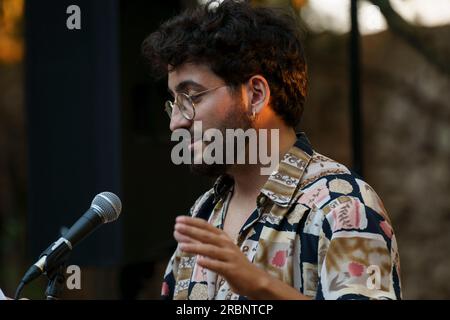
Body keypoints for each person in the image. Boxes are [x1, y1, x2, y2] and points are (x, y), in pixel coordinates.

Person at [142, 0, 401, 300]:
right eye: (174, 103)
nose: (176, 122)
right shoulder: (203, 214)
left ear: (255, 95)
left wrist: (262, 288)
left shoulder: (342, 206)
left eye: (192, 97)